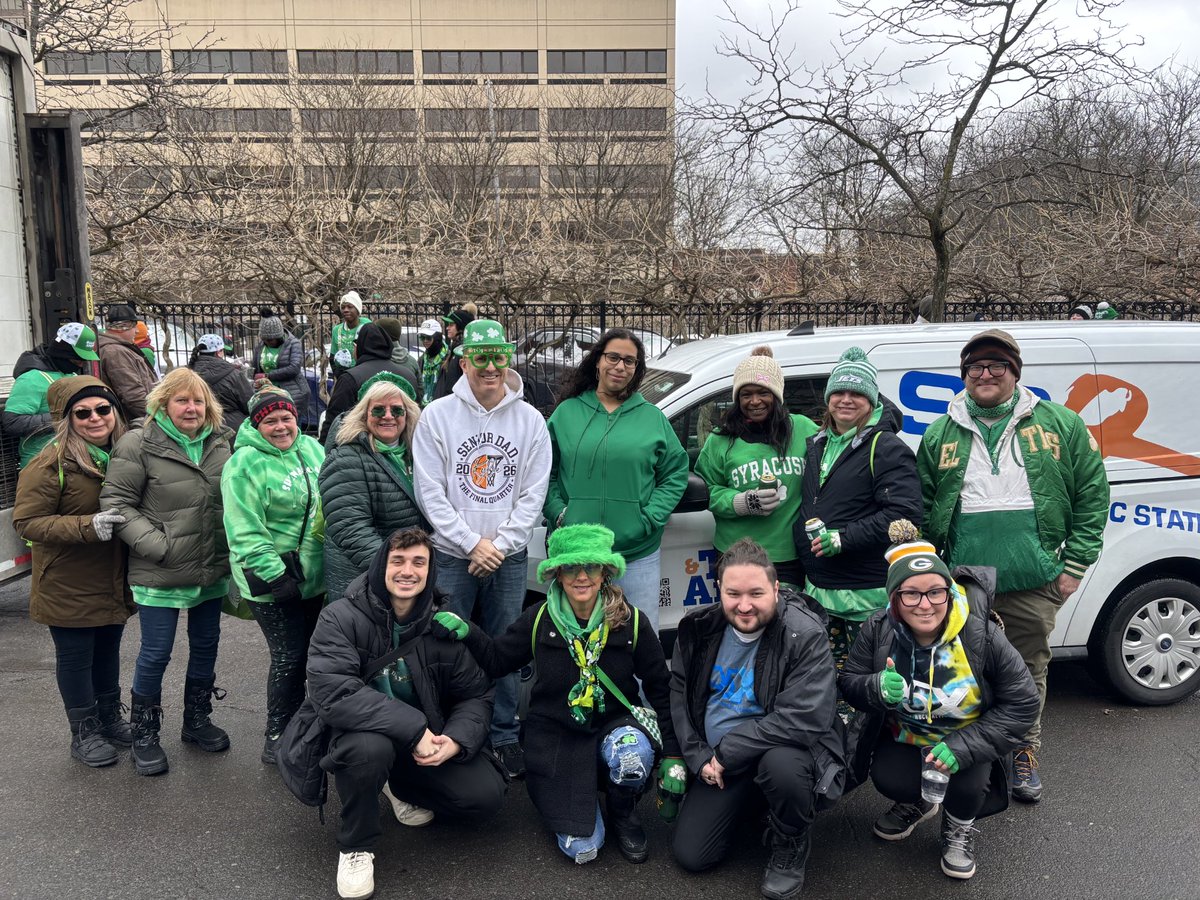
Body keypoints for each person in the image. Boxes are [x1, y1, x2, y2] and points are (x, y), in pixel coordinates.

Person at [917, 328, 1109, 803]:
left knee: (1027, 671)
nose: (985, 374)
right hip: (963, 584)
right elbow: (922, 505)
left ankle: (1023, 750)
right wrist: (929, 571)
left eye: (995, 366)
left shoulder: (1059, 424)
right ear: (964, 376)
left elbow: (1092, 493)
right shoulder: (941, 431)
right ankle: (975, 750)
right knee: (964, 670)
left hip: (1033, 581)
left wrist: (1074, 565)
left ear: (1014, 372)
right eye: (975, 367)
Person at [433, 524, 681, 866]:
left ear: (605, 571)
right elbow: (495, 660)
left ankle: (623, 813)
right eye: (571, 568)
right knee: (584, 850)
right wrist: (468, 631)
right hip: (555, 734)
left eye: (591, 567)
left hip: (614, 725)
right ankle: (581, 799)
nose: (582, 577)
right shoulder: (538, 619)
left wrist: (673, 754)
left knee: (632, 757)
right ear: (557, 574)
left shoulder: (630, 622)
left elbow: (660, 688)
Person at [305, 528, 507, 900]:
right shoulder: (339, 617)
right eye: (398, 561)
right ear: (381, 564)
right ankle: (356, 846)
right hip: (365, 734)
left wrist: (458, 741)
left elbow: (476, 694)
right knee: (369, 752)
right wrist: (414, 729)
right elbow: (333, 692)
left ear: (430, 572)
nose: (407, 571)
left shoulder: (440, 623)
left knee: (484, 797)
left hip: (426, 739)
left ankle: (394, 784)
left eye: (419, 562)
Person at [839, 523, 1038, 881]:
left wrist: (962, 747)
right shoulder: (877, 630)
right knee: (888, 778)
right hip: (907, 737)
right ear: (894, 599)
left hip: (967, 738)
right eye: (911, 594)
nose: (925, 604)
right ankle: (920, 802)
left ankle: (958, 828)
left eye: (935, 592)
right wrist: (875, 687)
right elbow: (849, 684)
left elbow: (1022, 703)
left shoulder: (981, 634)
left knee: (967, 788)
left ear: (949, 592)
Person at [412, 317, 551, 779]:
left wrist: (500, 545)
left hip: (508, 557)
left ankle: (505, 733)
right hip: (452, 553)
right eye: (480, 357)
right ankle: (449, 729)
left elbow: (533, 492)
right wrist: (473, 543)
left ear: (507, 359)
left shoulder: (530, 420)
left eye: (498, 357)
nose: (490, 367)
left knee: (506, 647)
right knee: (445, 642)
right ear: (463, 360)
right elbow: (429, 490)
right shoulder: (436, 416)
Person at [668, 537, 844, 900]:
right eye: (733, 594)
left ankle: (791, 839)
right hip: (717, 761)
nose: (744, 606)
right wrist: (699, 757)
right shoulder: (698, 628)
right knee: (692, 856)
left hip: (776, 751)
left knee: (782, 768)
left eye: (756, 594)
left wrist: (727, 752)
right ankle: (759, 804)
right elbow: (679, 693)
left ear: (776, 589)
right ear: (719, 590)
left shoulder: (804, 634)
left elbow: (804, 717)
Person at [102, 368, 235, 776]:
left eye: (197, 401)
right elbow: (117, 504)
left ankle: (195, 721)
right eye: (181, 400)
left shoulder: (221, 442)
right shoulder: (137, 443)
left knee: (206, 646)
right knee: (156, 654)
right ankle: (145, 733)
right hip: (160, 571)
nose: (190, 408)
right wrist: (159, 546)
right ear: (163, 404)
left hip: (210, 568)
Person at [13, 376, 132, 767]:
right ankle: (84, 731)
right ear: (68, 419)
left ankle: (110, 718)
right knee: (76, 658)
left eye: (103, 408)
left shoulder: (125, 453)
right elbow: (27, 522)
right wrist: (87, 525)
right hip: (68, 580)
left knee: (108, 651)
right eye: (83, 413)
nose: (95, 418)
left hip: (112, 577)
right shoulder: (50, 462)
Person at [793, 347, 923, 705]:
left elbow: (906, 516)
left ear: (871, 400)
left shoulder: (886, 447)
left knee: (871, 687)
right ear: (827, 397)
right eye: (839, 392)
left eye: (857, 393)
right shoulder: (819, 444)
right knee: (832, 688)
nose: (846, 400)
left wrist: (843, 538)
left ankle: (872, 754)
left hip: (865, 597)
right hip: (822, 591)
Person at [544, 328, 689, 631]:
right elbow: (545, 472)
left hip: (636, 555)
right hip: (577, 556)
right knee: (576, 643)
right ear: (597, 361)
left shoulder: (652, 418)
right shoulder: (566, 413)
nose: (620, 366)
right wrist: (558, 513)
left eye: (629, 361)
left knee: (635, 643)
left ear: (637, 370)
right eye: (613, 357)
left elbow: (675, 473)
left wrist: (648, 518)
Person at [222, 385, 326, 764]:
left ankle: (309, 726)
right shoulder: (244, 464)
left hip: (315, 578)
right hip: (271, 580)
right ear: (256, 424)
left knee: (316, 654)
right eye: (271, 421)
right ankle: (278, 735)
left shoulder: (313, 449)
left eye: (287, 418)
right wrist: (276, 576)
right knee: (289, 655)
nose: (281, 427)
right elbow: (244, 528)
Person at [695, 346, 818, 587]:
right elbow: (706, 491)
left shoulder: (803, 429)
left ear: (777, 395)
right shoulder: (720, 440)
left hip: (789, 555)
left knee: (788, 622)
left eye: (763, 392)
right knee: (742, 619)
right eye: (746, 394)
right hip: (736, 555)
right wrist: (742, 502)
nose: (754, 401)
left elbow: (842, 450)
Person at [320, 380, 427, 600]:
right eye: (378, 409)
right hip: (367, 577)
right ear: (363, 414)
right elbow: (350, 527)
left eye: (397, 410)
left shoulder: (418, 452)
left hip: (407, 574)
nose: (388, 416)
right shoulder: (347, 457)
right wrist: (396, 568)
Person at [2, 322, 97, 468]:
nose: (81, 365)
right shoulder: (31, 379)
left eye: (84, 360)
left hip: (71, 460)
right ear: (63, 352)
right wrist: (64, 418)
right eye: (78, 359)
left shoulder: (70, 374)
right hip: (40, 464)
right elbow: (12, 422)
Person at [319, 322, 419, 442]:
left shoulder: (350, 378)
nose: (387, 416)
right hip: (403, 451)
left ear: (358, 347)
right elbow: (416, 419)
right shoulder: (408, 376)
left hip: (360, 451)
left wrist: (323, 449)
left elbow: (334, 422)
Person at [96, 303, 157, 422]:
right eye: (134, 326)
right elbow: (133, 395)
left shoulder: (117, 349)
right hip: (135, 422)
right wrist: (157, 419)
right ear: (124, 326)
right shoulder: (116, 352)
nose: (137, 331)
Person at [252, 307, 309, 429]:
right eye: (265, 339)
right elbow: (256, 369)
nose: (268, 342)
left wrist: (267, 376)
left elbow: (294, 368)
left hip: (292, 394)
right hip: (268, 394)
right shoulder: (260, 347)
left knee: (290, 428)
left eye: (271, 340)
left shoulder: (293, 344)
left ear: (279, 336)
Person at [190, 333, 253, 431]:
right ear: (219, 352)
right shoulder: (234, 374)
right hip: (231, 429)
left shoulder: (188, 373)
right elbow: (249, 404)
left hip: (199, 427)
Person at [431, 302, 476, 400]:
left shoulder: (464, 352)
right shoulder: (454, 348)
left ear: (461, 326)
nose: (447, 328)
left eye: (451, 325)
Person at [330, 290, 371, 379]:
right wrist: (338, 374)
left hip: (363, 375)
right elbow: (332, 356)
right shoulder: (337, 330)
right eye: (343, 307)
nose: (346, 310)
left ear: (357, 309)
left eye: (350, 307)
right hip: (345, 376)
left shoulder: (367, 326)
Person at [416, 318, 447, 405]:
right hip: (424, 409)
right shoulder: (421, 360)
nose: (425, 341)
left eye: (429, 338)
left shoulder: (448, 359)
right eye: (422, 337)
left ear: (437, 338)